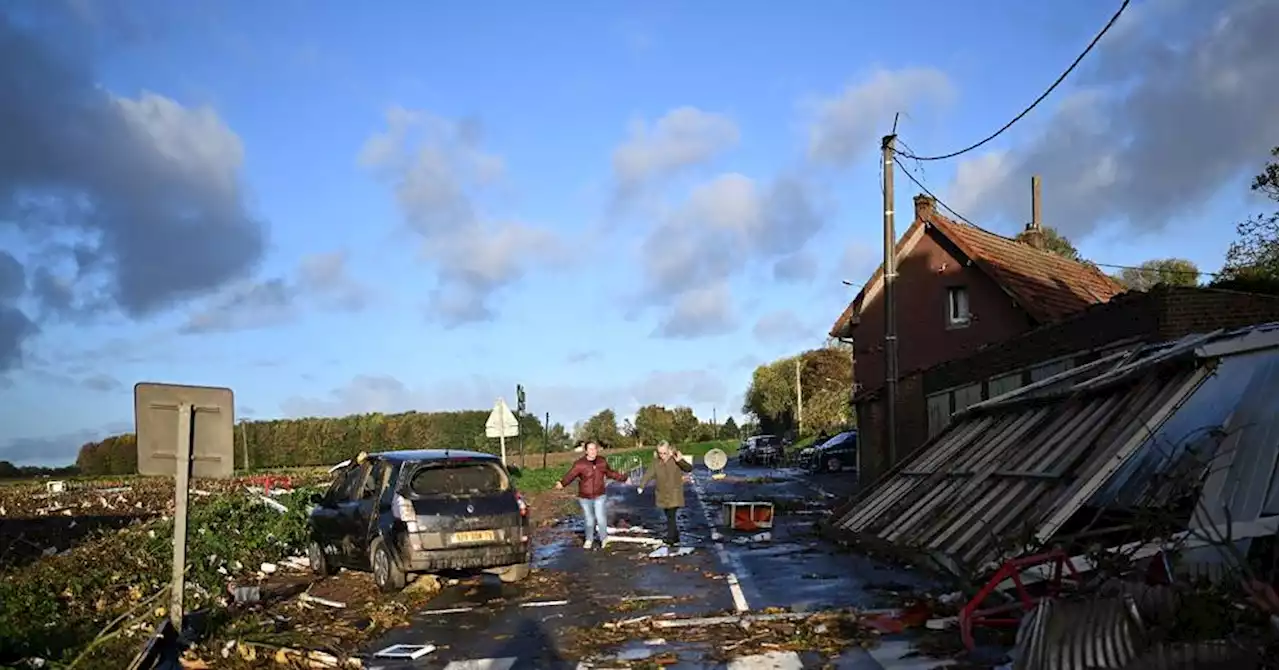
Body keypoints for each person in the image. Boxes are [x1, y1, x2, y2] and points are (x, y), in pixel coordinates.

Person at [556, 441, 627, 550]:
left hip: (600, 495)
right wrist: (562, 483)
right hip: (585, 497)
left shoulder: (601, 462)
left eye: (594, 449)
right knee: (589, 519)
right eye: (590, 449)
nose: (593, 451)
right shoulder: (580, 464)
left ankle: (604, 539)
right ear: (586, 451)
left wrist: (623, 478)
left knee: (600, 517)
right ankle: (589, 539)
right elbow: (571, 475)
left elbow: (610, 473)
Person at [637, 441, 694, 546]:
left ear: (669, 450)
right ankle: (676, 537)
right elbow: (648, 474)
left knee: (671, 516)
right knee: (668, 516)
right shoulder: (656, 463)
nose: (662, 455)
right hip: (662, 494)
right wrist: (641, 485)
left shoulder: (675, 459)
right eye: (660, 453)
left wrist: (680, 460)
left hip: (674, 493)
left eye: (664, 453)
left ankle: (670, 539)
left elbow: (689, 468)